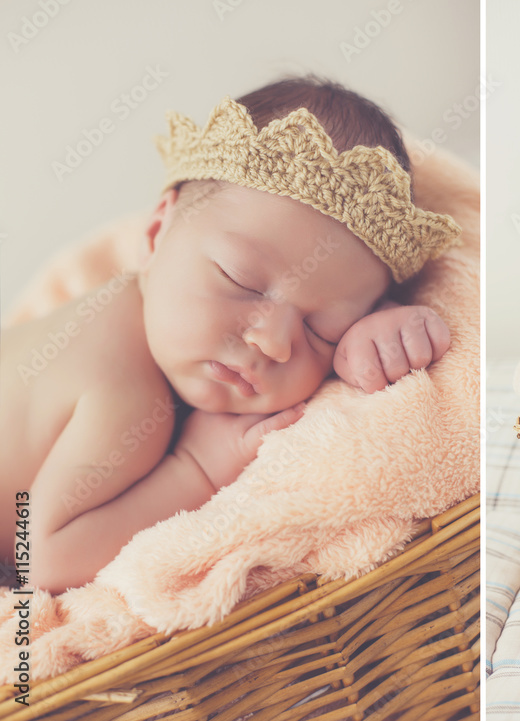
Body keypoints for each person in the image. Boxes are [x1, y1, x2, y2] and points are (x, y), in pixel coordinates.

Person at [0, 76, 462, 592]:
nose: (274, 341)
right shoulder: (123, 387)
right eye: (241, 281)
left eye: (322, 330)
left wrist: (375, 336)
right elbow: (40, 558)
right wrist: (195, 468)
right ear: (155, 236)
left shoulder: (164, 327)